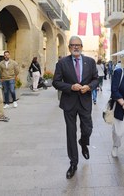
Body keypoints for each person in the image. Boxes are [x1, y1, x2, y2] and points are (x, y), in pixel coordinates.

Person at [52, 36, 99, 179]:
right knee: (71, 132)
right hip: (69, 102)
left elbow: (96, 79)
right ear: (69, 47)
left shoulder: (90, 62)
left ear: (82, 46)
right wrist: (70, 87)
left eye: (78, 45)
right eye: (73, 45)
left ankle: (84, 142)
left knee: (87, 129)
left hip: (85, 101)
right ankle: (73, 163)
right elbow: (56, 82)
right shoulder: (62, 63)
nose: (76, 47)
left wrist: (89, 87)